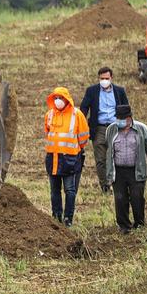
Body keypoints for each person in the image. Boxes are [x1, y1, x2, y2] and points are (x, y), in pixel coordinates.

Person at [79, 67, 130, 194]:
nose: (104, 81)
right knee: (101, 159)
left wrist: (128, 126)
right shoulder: (92, 91)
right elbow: (83, 109)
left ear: (111, 78)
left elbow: (127, 109)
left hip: (116, 128)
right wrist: (80, 125)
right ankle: (105, 186)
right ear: (98, 78)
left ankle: (118, 184)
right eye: (102, 79)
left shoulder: (119, 91)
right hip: (99, 129)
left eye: (107, 79)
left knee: (118, 158)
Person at [45, 87, 90, 226]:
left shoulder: (77, 115)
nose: (58, 101)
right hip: (53, 158)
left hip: (70, 159)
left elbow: (83, 138)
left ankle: (68, 219)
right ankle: (56, 216)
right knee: (54, 191)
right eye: (56, 98)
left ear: (67, 99)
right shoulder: (50, 114)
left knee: (70, 190)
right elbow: (47, 132)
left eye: (61, 98)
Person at [105, 104, 147, 234]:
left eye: (122, 118)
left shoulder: (141, 129)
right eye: (118, 118)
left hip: (135, 170)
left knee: (137, 197)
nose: (119, 121)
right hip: (118, 170)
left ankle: (139, 224)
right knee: (120, 198)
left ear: (130, 118)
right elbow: (107, 145)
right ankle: (124, 226)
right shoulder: (111, 129)